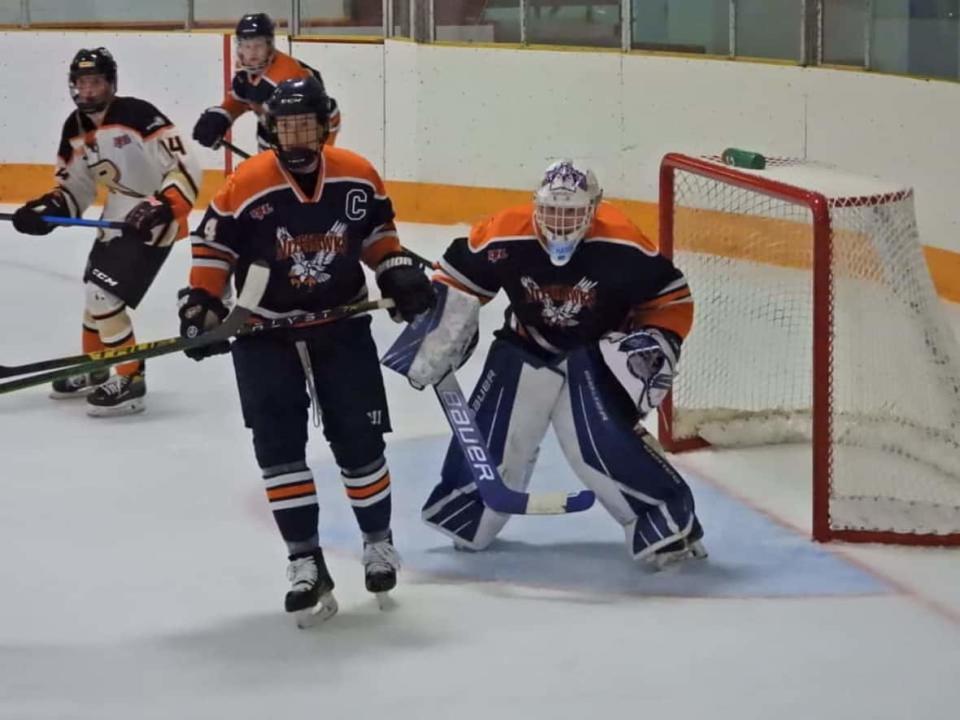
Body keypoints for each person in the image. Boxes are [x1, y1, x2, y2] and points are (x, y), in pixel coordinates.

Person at [179, 76, 434, 625]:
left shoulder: (356, 175)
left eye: (306, 124)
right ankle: (304, 561)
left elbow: (376, 235)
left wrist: (397, 271)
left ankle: (378, 543)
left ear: (325, 125)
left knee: (359, 439)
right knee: (278, 449)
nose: (296, 135)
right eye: (286, 125)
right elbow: (214, 245)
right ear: (270, 129)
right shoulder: (247, 183)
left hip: (339, 325)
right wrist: (201, 303)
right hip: (263, 330)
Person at [386, 159, 707, 568]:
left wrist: (657, 341)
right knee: (494, 441)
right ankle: (469, 511)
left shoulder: (625, 245)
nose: (560, 223)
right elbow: (458, 281)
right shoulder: (504, 232)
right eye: (552, 211)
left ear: (595, 208)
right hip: (525, 344)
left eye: (572, 213)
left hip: (594, 356)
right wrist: (432, 324)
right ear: (536, 206)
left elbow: (671, 299)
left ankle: (668, 523)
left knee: (598, 447)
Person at [12, 47, 202, 416]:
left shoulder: (137, 114)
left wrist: (165, 204)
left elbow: (184, 163)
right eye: (82, 83)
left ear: (110, 83)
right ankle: (95, 366)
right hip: (116, 215)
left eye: (96, 82)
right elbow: (74, 188)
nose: (88, 90)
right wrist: (47, 210)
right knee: (94, 297)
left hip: (155, 219)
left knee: (103, 296)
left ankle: (131, 378)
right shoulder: (75, 128)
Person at [192, 12, 341, 154]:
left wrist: (322, 153)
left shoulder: (289, 77)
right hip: (273, 135)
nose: (252, 53)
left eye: (258, 45)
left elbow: (329, 114)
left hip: (303, 140)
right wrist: (221, 117)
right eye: (247, 46)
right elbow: (241, 100)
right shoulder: (245, 72)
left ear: (269, 46)